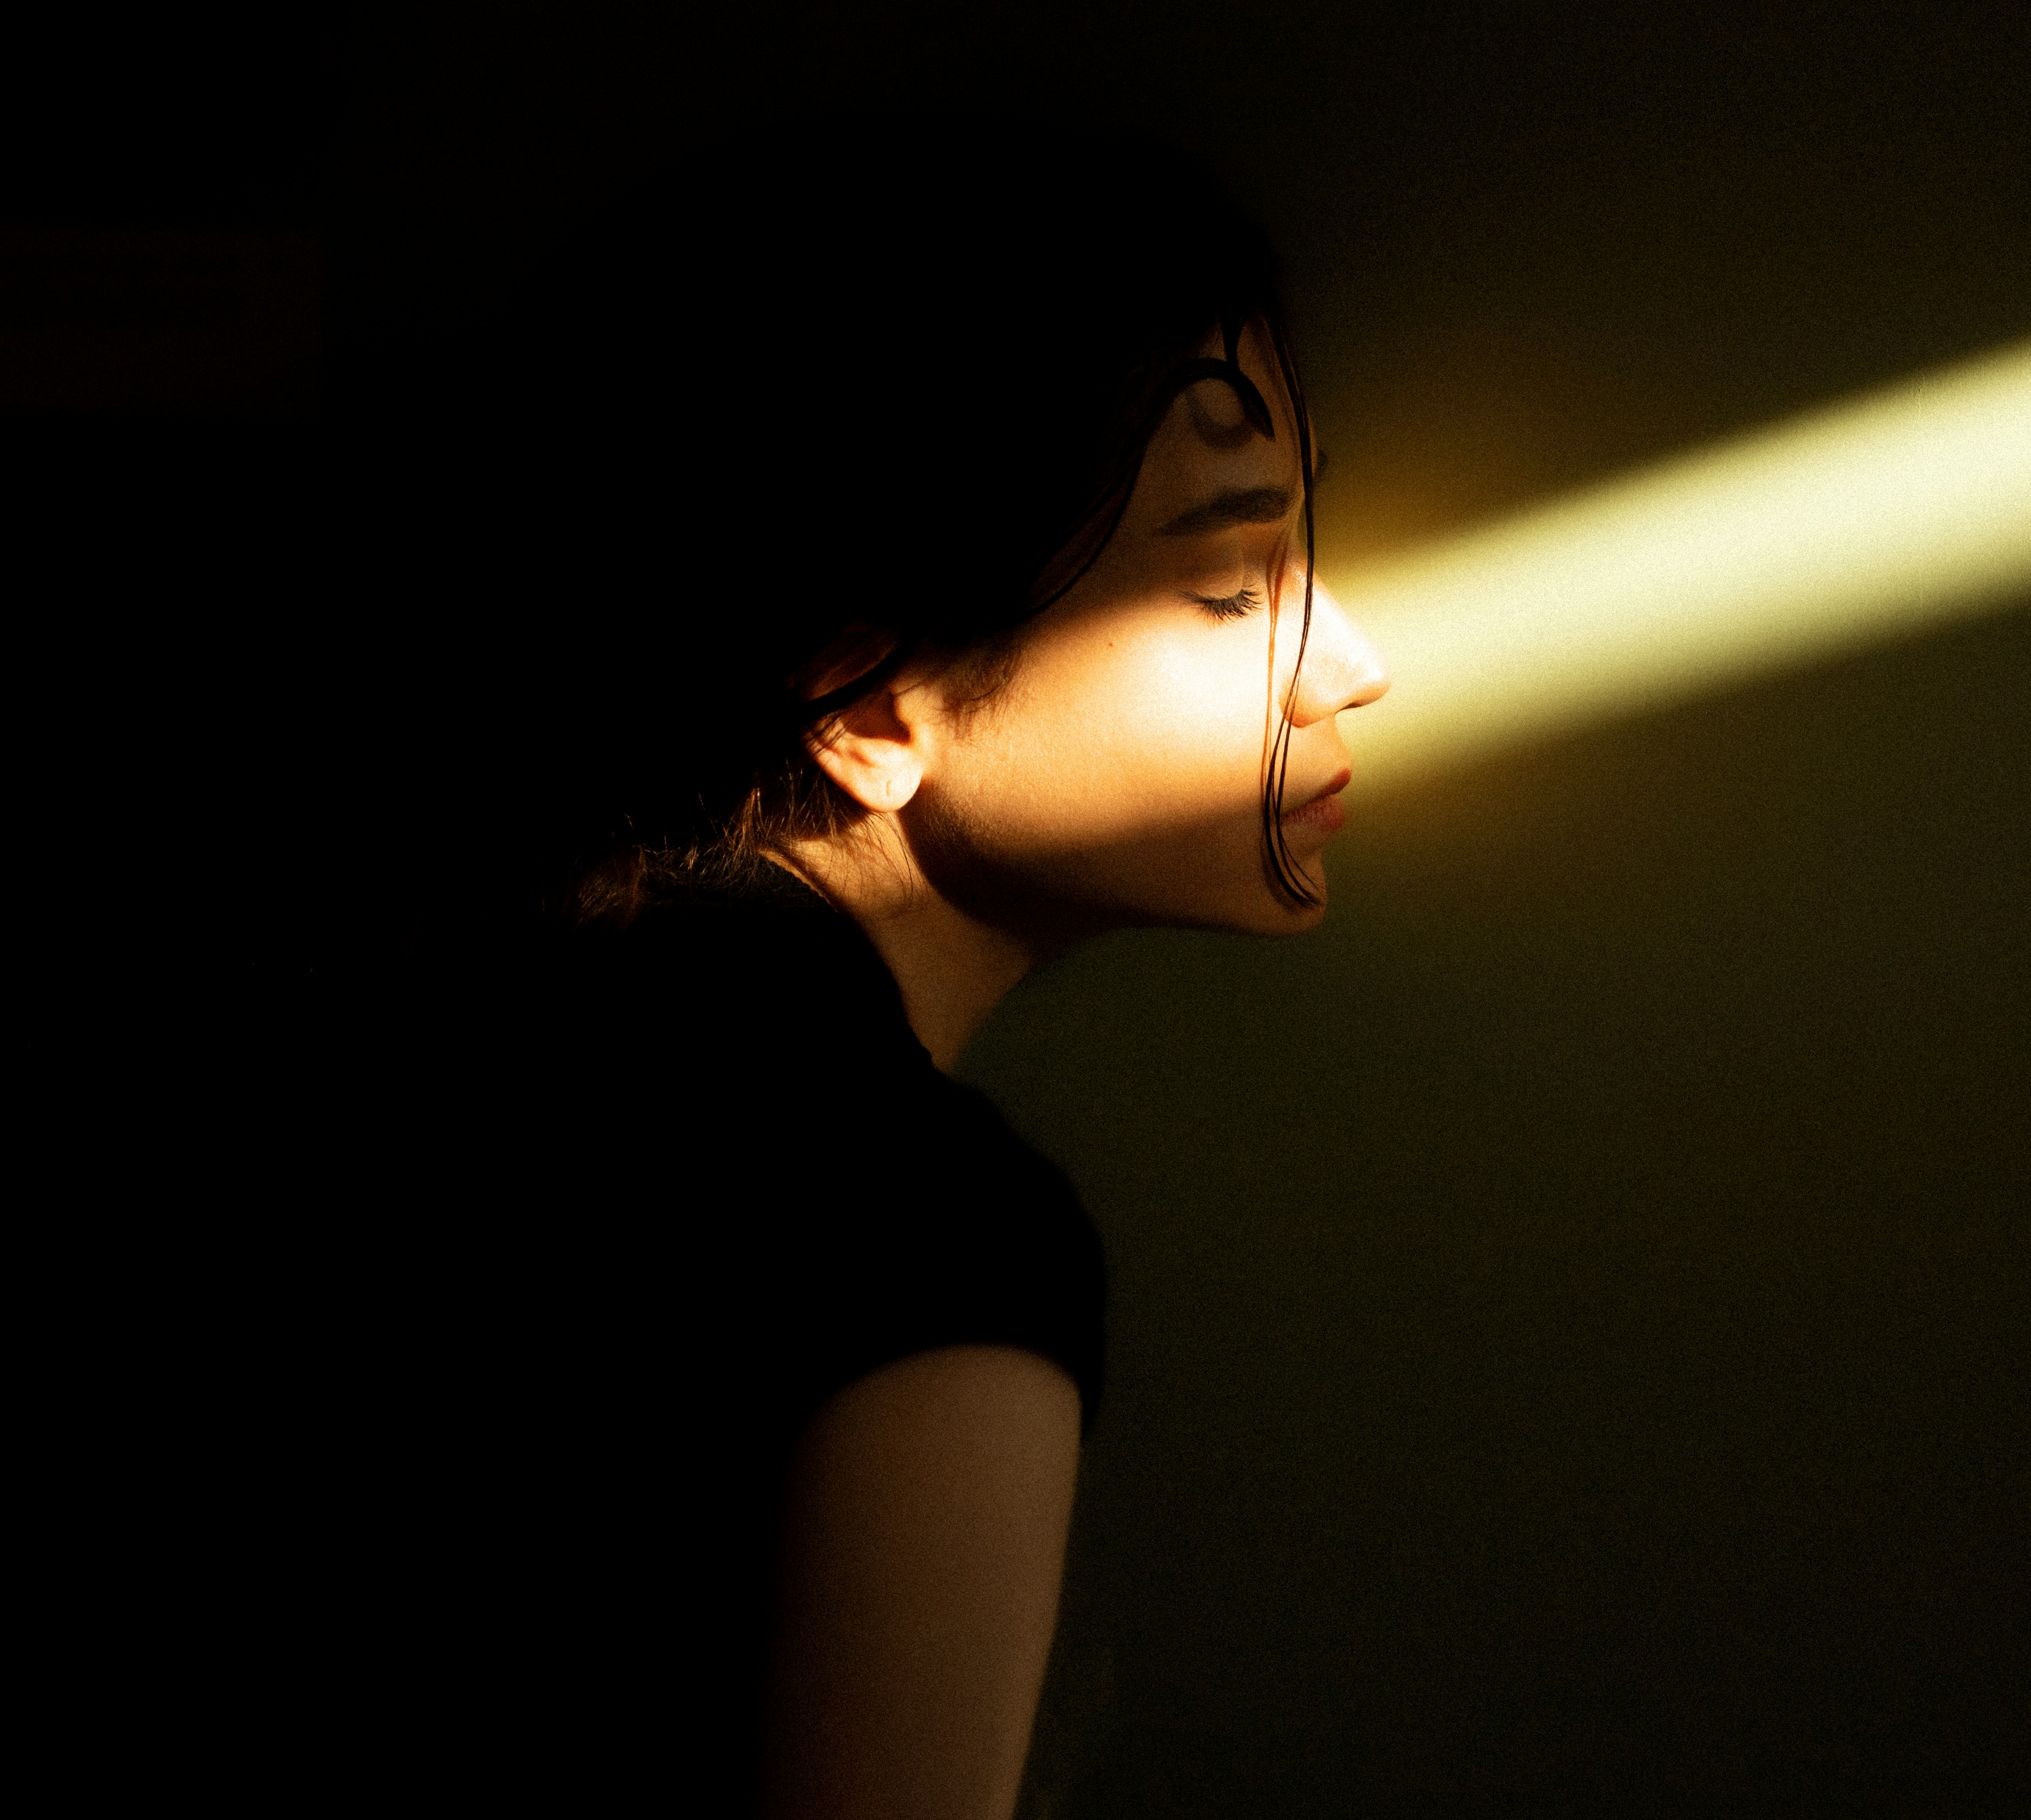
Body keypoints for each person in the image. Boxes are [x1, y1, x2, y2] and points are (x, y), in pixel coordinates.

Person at [317, 120, 1388, 1816]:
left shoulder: (469, 1012)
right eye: (1222, 581)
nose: (1350, 660)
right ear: (873, 707)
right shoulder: (915, 1235)